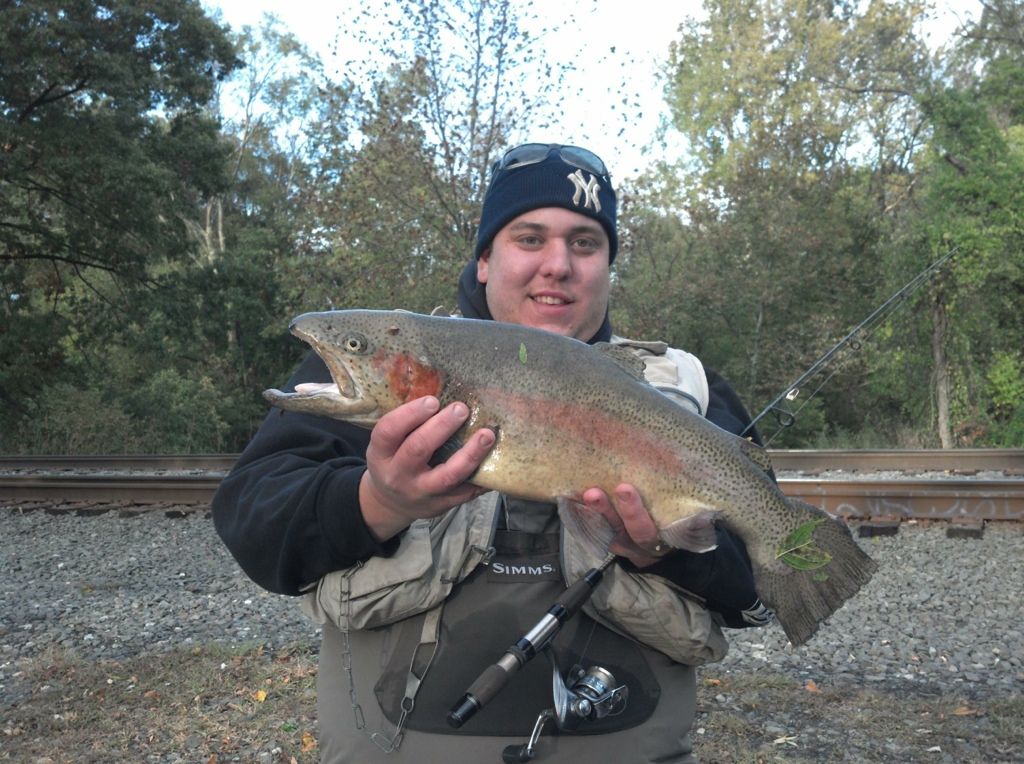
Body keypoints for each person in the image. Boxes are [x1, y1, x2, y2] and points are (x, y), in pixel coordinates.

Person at [212, 143, 773, 763]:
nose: (558, 264)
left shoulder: (683, 390)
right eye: (529, 239)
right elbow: (251, 524)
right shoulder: (380, 367)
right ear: (484, 260)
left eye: (585, 243)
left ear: (609, 267)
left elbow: (764, 591)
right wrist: (375, 501)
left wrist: (673, 555)